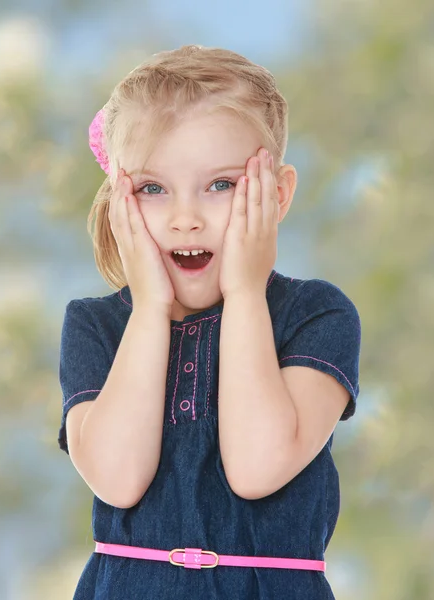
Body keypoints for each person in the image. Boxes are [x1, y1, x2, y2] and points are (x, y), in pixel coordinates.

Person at [57, 44, 361, 600]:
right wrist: (149, 308)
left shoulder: (317, 314)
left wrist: (245, 293)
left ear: (278, 193)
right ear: (119, 199)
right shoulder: (96, 325)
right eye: (152, 189)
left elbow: (257, 466)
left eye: (220, 185)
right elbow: (118, 480)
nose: (186, 219)